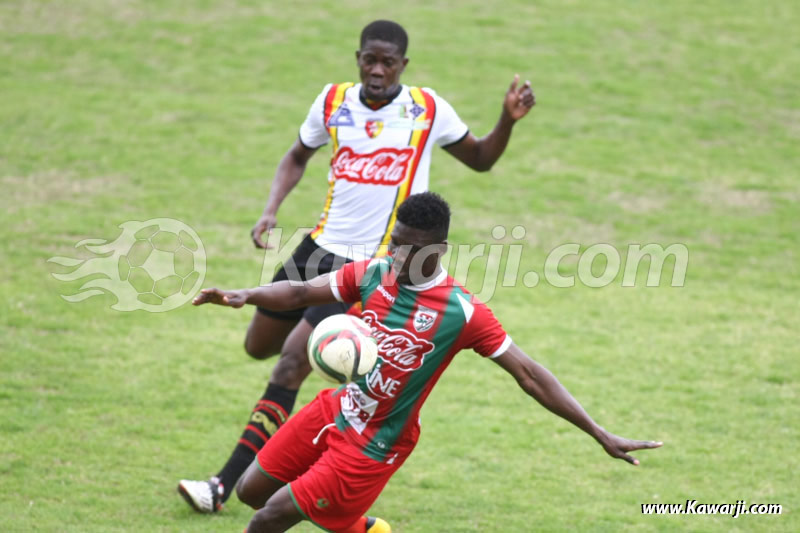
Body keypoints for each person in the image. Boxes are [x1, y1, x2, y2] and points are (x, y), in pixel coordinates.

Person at [179, 19, 536, 512]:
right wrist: (270, 209)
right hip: (318, 249)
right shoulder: (332, 102)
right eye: (370, 58)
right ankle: (310, 460)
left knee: (290, 361)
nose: (377, 69)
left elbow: (479, 159)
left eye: (388, 61)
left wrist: (507, 122)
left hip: (373, 266)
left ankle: (223, 486)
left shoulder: (427, 109)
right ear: (358, 58)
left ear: (403, 66)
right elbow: (296, 155)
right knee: (257, 346)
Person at [192, 192, 663, 533]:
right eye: (395, 241)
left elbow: (529, 374)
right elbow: (299, 291)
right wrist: (245, 294)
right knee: (251, 491)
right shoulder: (375, 272)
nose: (397, 254)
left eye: (410, 248)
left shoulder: (462, 313)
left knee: (266, 519)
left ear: (437, 251)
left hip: (375, 445)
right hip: (335, 409)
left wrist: (599, 432)